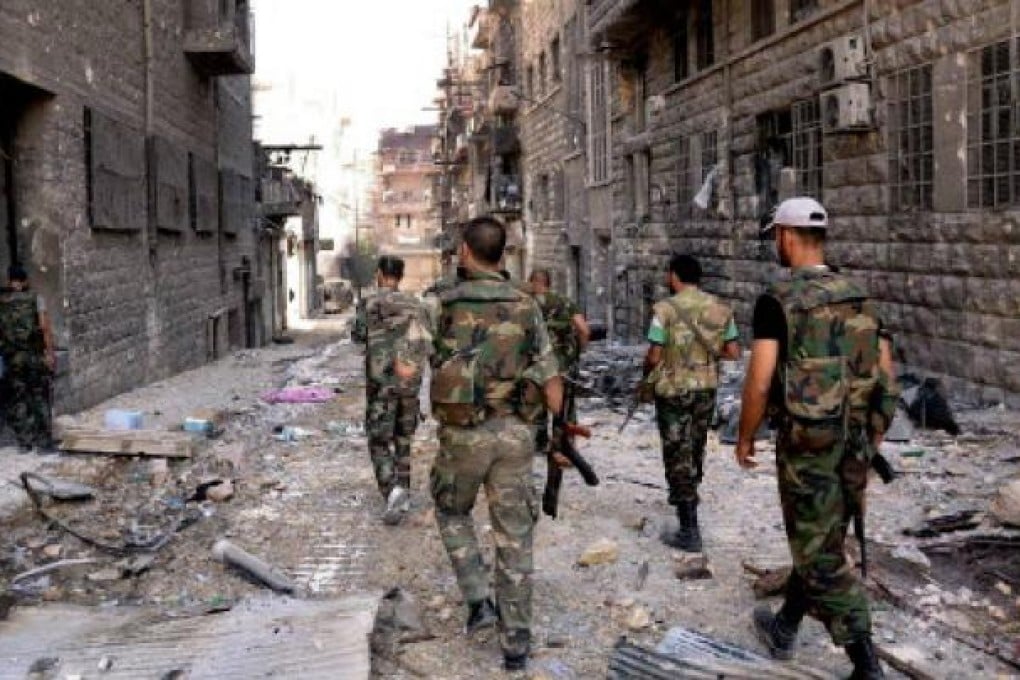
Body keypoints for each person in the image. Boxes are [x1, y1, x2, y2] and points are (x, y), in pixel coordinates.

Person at [735, 197, 897, 679]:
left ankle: (866, 664)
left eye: (775, 239)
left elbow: (760, 380)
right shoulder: (861, 295)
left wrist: (745, 438)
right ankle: (785, 626)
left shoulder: (778, 300)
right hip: (856, 443)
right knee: (824, 536)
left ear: (786, 237)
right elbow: (885, 373)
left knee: (819, 552)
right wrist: (873, 440)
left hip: (809, 448)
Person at [398, 216, 562, 672]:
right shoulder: (527, 304)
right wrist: (559, 436)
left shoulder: (438, 302)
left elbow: (407, 372)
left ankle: (477, 599)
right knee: (515, 532)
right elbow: (552, 383)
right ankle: (516, 645)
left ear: (465, 252)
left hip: (462, 436)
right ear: (503, 253)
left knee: (452, 510)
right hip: (516, 435)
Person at [643, 254, 740, 552]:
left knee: (676, 452)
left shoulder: (664, 310)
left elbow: (655, 355)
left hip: (673, 391)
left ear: (674, 276)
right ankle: (689, 502)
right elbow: (733, 351)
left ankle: (688, 529)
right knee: (695, 447)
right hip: (706, 389)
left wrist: (647, 375)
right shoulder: (721, 310)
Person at [363, 256, 430, 525]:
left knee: (379, 439)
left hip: (381, 385)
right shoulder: (417, 305)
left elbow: (358, 336)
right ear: (400, 276)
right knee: (403, 438)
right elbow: (426, 341)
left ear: (380, 274)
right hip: (410, 384)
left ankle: (392, 490)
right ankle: (404, 490)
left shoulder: (370, 303)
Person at [527, 269, 590, 453]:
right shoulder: (565, 302)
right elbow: (584, 330)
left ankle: (539, 443)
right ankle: (563, 445)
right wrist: (578, 352)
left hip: (536, 365)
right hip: (562, 364)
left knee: (536, 403)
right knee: (564, 405)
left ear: (532, 282)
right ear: (549, 283)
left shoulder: (525, 303)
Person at [0, 266, 55, 451]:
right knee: (39, 396)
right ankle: (44, 443)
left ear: (9, 281)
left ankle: (25, 443)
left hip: (12, 359)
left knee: (18, 399)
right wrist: (50, 353)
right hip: (33, 356)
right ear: (25, 282)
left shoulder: (2, 302)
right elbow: (45, 328)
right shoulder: (36, 299)